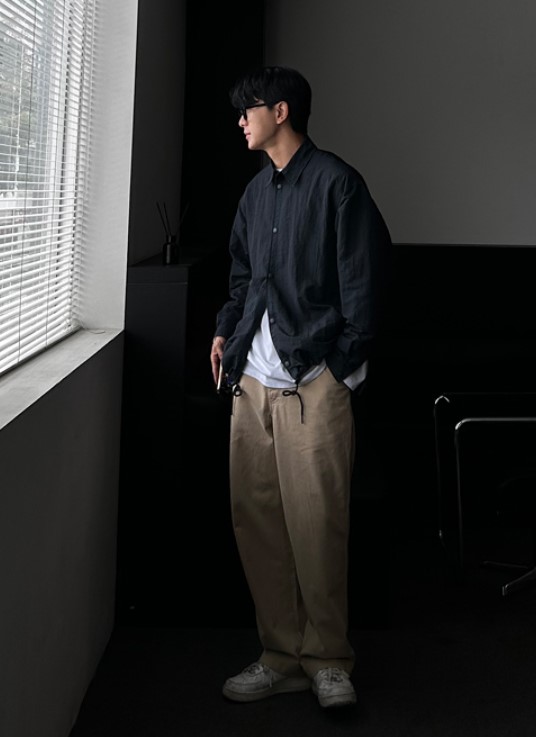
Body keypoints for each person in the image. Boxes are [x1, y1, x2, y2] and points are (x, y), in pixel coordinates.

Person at [210, 65, 391, 709]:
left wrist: (338, 370)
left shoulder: (338, 184)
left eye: (248, 110)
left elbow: (365, 286)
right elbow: (243, 278)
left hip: (314, 383)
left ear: (280, 112)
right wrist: (226, 331)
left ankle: (328, 660)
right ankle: (280, 656)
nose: (240, 121)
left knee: (318, 524)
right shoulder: (255, 193)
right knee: (257, 522)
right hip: (251, 383)